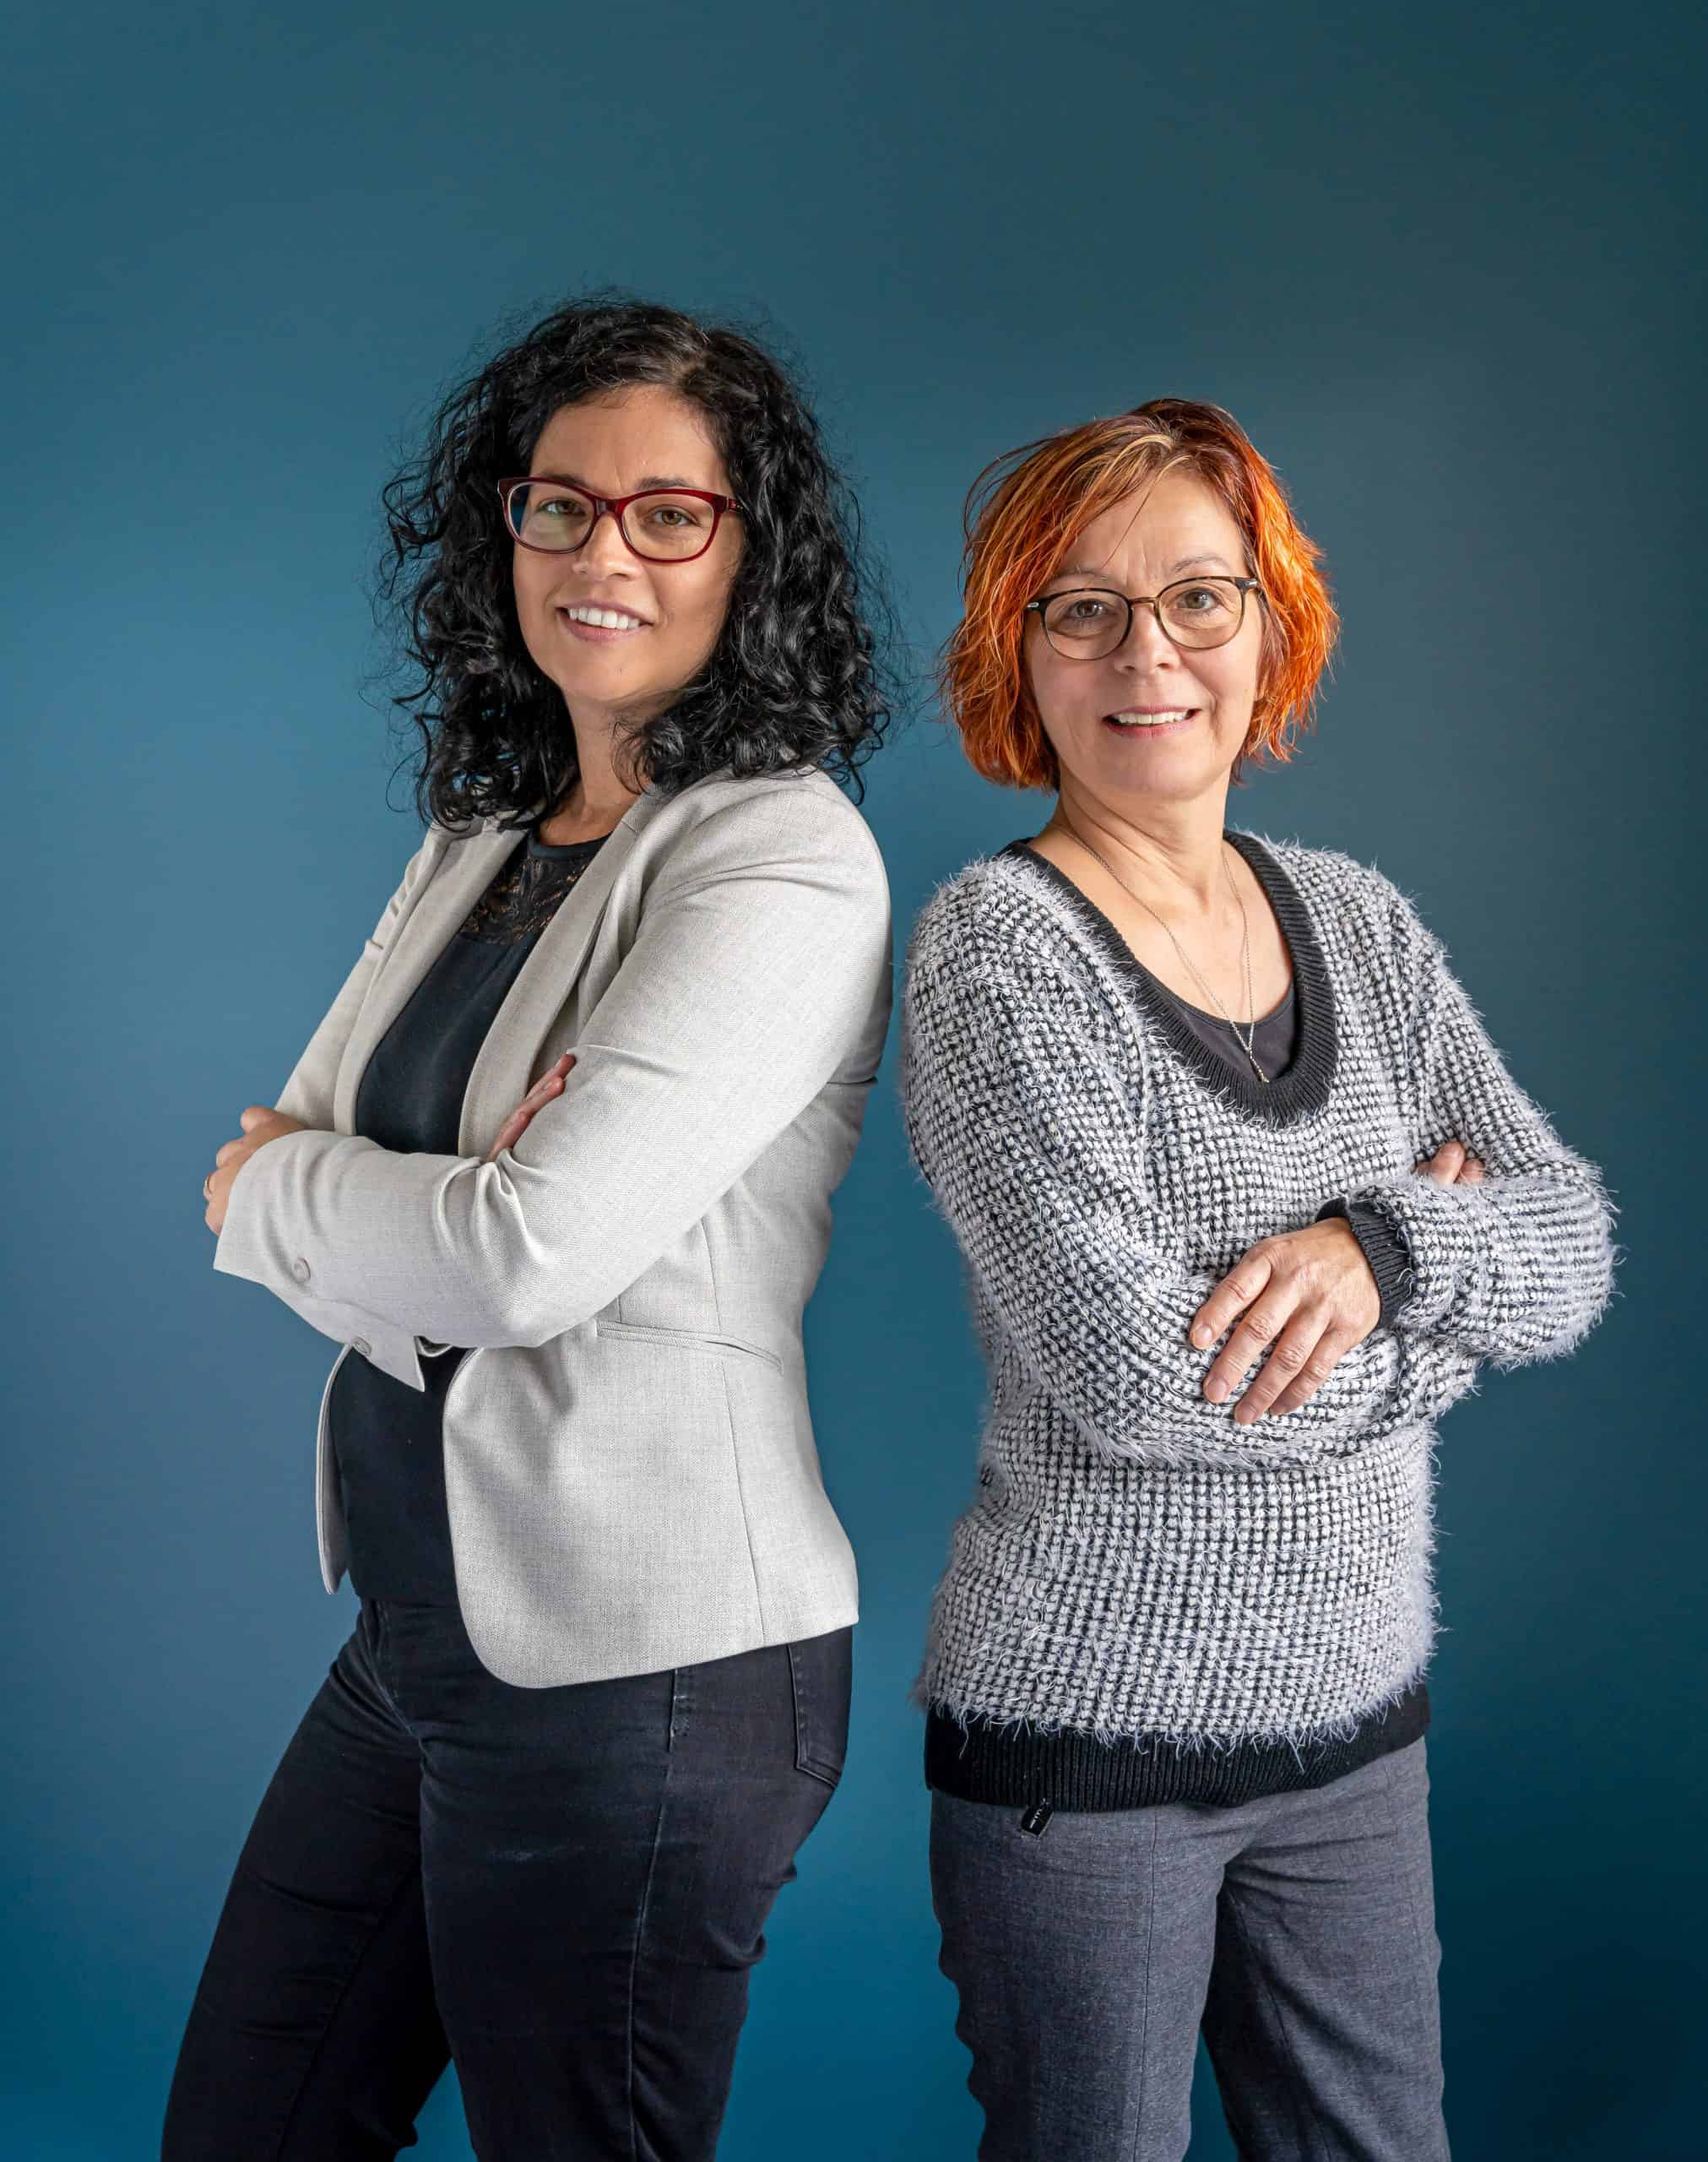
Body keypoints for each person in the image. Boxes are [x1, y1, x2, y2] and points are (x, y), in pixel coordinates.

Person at [165, 296, 894, 2161]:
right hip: (421, 1635)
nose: (601, 555)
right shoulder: (487, 836)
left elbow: (510, 1256)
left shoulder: (779, 855)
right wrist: (379, 1203)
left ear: (752, 553)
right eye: (558, 505)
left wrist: (311, 1201)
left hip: (643, 1676)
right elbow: (320, 1148)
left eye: (670, 514)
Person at [899, 398, 1617, 2160]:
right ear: (1018, 653)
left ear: (1268, 625)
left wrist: (1385, 1249)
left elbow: (1570, 1242)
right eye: (1082, 609)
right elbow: (1146, 1378)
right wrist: (1438, 1326)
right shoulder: (997, 950)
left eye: (1197, 599)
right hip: (1087, 1750)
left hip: (1358, 1729)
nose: (1147, 655)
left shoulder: (1358, 920)